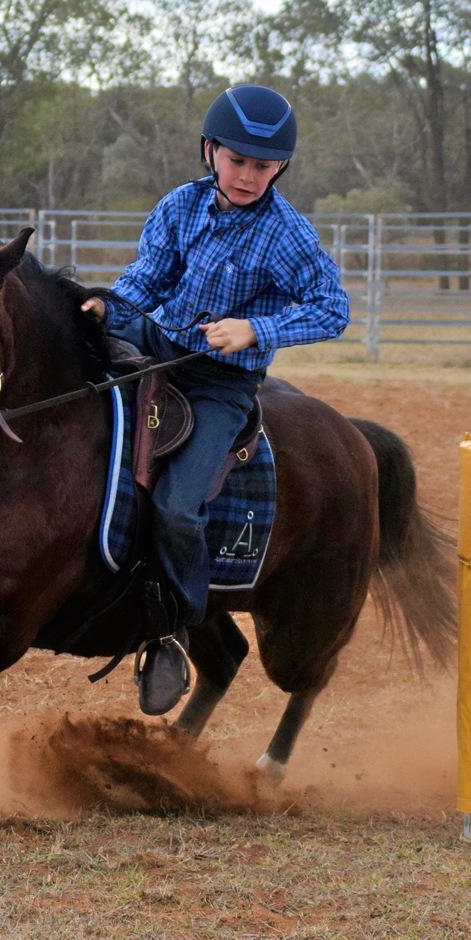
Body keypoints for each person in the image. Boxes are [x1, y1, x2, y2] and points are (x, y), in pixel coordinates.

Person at [81, 85, 351, 715]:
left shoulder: (288, 235)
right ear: (210, 151)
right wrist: (107, 307)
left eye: (263, 165)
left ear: (280, 167)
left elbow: (332, 309)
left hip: (219, 383)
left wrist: (256, 330)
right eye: (237, 160)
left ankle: (171, 631)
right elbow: (148, 279)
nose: (249, 175)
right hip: (154, 343)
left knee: (178, 509)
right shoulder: (180, 206)